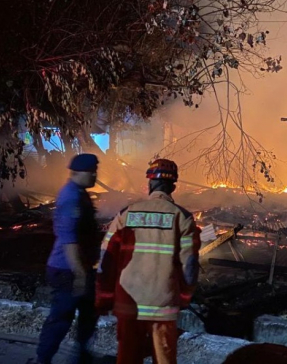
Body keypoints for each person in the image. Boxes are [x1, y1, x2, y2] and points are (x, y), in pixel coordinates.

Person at [96, 159, 201, 364]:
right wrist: (184, 298)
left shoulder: (125, 215)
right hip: (163, 306)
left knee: (127, 358)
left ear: (150, 183)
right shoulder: (183, 217)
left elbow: (105, 260)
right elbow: (190, 267)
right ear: (173, 186)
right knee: (163, 359)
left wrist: (104, 298)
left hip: (128, 304)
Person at [31, 154, 101, 364]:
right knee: (62, 316)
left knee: (88, 312)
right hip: (67, 269)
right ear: (77, 173)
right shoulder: (71, 198)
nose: (95, 175)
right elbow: (69, 239)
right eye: (91, 171)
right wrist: (80, 274)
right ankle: (42, 359)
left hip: (78, 267)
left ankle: (81, 353)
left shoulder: (80, 193)